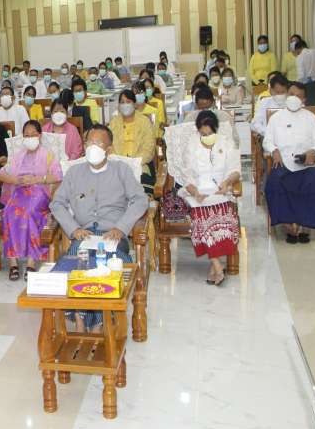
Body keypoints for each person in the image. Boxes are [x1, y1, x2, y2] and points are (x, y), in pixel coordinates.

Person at [49, 125, 146, 331]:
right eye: (89, 142)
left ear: (108, 149)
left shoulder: (121, 170)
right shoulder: (74, 172)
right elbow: (56, 203)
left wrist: (121, 228)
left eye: (98, 143)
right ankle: (80, 319)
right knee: (77, 262)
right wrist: (73, 229)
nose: (92, 147)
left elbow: (140, 200)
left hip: (113, 236)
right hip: (84, 235)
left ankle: (100, 323)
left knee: (108, 266)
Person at [164, 111, 241, 284]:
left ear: (216, 130)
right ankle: (218, 266)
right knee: (202, 221)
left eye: (210, 133)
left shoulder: (226, 142)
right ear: (198, 131)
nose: (206, 137)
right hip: (197, 193)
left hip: (220, 192)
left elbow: (235, 169)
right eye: (203, 134)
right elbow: (187, 176)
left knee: (225, 221)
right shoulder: (191, 145)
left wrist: (227, 182)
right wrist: (196, 193)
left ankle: (214, 266)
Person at [0, 119, 63, 280]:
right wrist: (15, 180)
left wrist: (37, 179)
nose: (30, 138)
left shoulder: (47, 155)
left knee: (30, 212)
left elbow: (58, 175)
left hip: (39, 192)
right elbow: (0, 174)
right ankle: (13, 263)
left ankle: (31, 263)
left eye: (33, 134)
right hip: (19, 192)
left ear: (39, 136)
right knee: (9, 212)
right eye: (26, 135)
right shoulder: (19, 156)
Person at [263, 84, 315, 244]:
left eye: (298, 96)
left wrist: (313, 152)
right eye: (291, 94)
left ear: (304, 100)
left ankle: (305, 225)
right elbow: (267, 140)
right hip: (283, 163)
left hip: (306, 164)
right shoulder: (276, 118)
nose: (294, 98)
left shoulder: (310, 118)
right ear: (287, 95)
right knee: (273, 183)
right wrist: (274, 150)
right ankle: (287, 225)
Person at [108, 88, 156, 192]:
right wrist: (120, 163)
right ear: (119, 106)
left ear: (134, 104)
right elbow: (109, 147)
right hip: (117, 167)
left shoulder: (145, 122)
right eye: (122, 102)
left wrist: (133, 163)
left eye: (128, 102)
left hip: (140, 166)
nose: (125, 105)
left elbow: (149, 149)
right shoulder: (113, 123)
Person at [44, 93, 83, 160]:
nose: (59, 114)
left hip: (69, 163)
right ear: (51, 113)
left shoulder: (73, 130)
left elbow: (77, 151)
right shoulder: (44, 129)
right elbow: (41, 151)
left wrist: (68, 162)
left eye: (62, 111)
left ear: (67, 114)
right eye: (55, 111)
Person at [291, 35, 315, 105]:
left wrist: (296, 85)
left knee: (309, 105)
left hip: (308, 85)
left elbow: (301, 75)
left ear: (298, 49)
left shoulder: (300, 57)